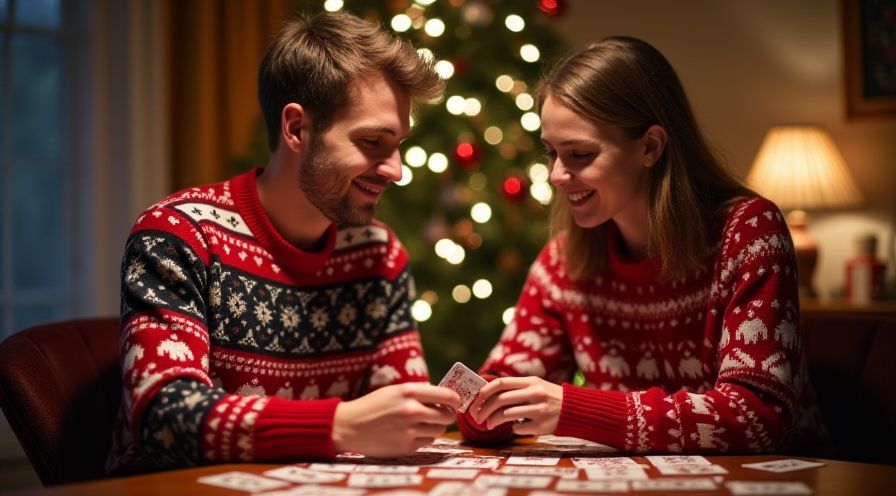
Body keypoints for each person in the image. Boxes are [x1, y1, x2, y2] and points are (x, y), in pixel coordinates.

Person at [107, 11, 461, 473]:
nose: (395, 169)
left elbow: (402, 411)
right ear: (296, 129)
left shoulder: (378, 253)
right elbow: (164, 419)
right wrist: (341, 425)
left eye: (398, 145)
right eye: (373, 141)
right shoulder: (178, 236)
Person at [459, 36, 827, 454]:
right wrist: (481, 405)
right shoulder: (563, 261)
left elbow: (756, 416)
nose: (557, 175)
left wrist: (570, 408)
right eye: (551, 153)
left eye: (579, 154)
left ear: (650, 146)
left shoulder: (749, 233)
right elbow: (500, 381)